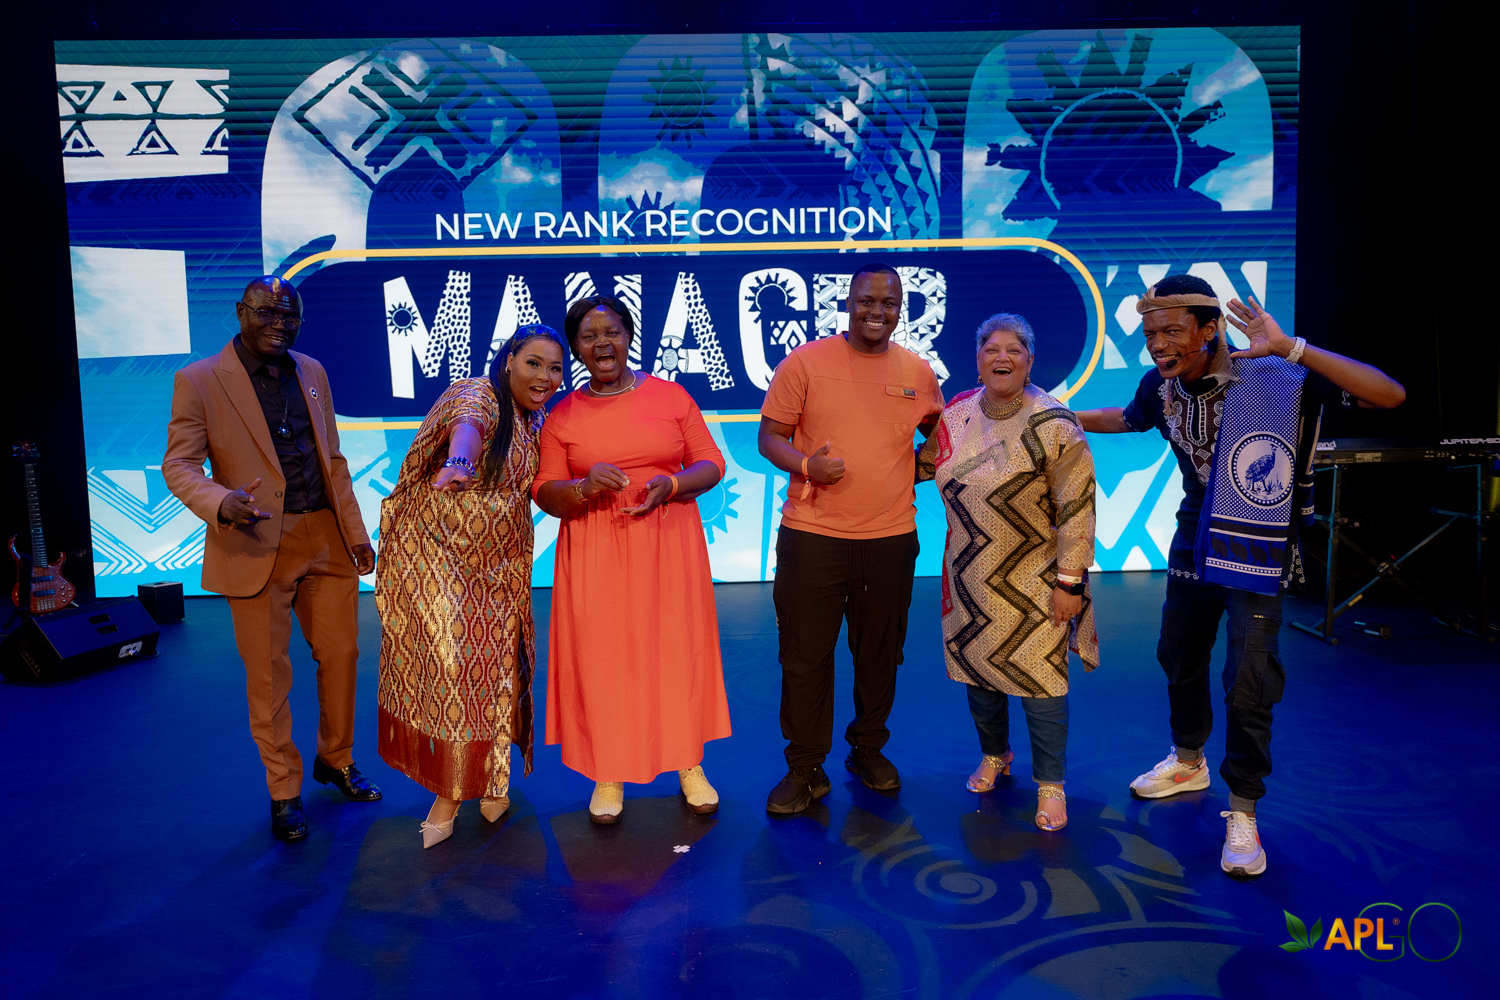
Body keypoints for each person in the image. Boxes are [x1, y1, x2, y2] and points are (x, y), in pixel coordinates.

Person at [1077, 274, 1405, 876]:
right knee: (1179, 654)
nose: (1158, 345)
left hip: (1257, 542)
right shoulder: (1160, 386)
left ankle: (1244, 809)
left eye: (1171, 331)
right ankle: (1188, 760)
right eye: (1150, 334)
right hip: (1193, 539)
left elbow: (1388, 396)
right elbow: (1126, 418)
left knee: (1248, 675)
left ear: (1210, 329)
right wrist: (1056, 415)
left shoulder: (1276, 378)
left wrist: (1292, 348)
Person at [163, 276, 381, 843]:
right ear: (241, 312)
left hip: (326, 533)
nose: (279, 324)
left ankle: (335, 759)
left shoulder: (312, 371)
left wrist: (356, 531)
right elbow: (179, 464)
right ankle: (283, 790)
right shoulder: (199, 380)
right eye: (267, 313)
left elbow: (333, 458)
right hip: (255, 537)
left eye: (290, 316)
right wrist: (219, 501)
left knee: (343, 655)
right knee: (268, 674)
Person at [532, 296, 731, 824]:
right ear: (576, 348)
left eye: (612, 332)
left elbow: (711, 462)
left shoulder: (671, 396)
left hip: (669, 543)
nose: (603, 343)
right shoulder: (562, 415)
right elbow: (545, 490)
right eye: (589, 336)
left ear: (628, 337)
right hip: (595, 549)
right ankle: (609, 770)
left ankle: (688, 763)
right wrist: (583, 486)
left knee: (676, 651)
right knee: (604, 659)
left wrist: (674, 484)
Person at [758, 262, 945, 814]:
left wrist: (915, 469)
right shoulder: (805, 363)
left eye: (889, 303)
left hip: (890, 538)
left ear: (900, 310)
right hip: (812, 536)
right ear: (848, 303)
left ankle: (867, 749)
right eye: (867, 301)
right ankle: (804, 766)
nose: (876, 311)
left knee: (880, 654)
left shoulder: (917, 371)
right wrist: (807, 466)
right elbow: (770, 437)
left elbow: (941, 436)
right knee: (804, 656)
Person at [375, 325, 568, 848]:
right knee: (457, 675)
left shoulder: (536, 418)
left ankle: (492, 776)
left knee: (501, 667)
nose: (545, 377)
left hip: (501, 565)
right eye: (533, 363)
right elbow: (468, 426)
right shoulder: (477, 393)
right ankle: (448, 795)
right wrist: (459, 460)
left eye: (555, 368)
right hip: (442, 560)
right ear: (508, 361)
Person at [917, 313, 1097, 831]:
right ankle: (995, 754)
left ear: (1030, 361)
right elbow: (923, 466)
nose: (1002, 357)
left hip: (1037, 578)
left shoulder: (1054, 422)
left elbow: (1078, 507)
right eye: (991, 349)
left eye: (1013, 350)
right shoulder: (955, 413)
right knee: (978, 673)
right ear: (977, 361)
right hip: (967, 575)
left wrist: (1070, 582)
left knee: (1042, 681)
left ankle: (1051, 785)